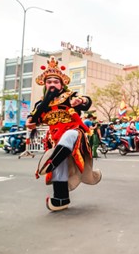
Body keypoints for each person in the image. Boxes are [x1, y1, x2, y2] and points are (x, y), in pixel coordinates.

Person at [31, 57, 102, 212]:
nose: (52, 85)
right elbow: (32, 122)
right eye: (49, 82)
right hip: (55, 140)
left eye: (55, 82)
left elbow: (87, 102)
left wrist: (81, 100)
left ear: (61, 84)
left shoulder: (70, 96)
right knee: (59, 168)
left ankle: (52, 161)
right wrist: (32, 121)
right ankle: (60, 199)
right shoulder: (40, 105)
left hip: (75, 134)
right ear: (45, 84)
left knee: (69, 135)